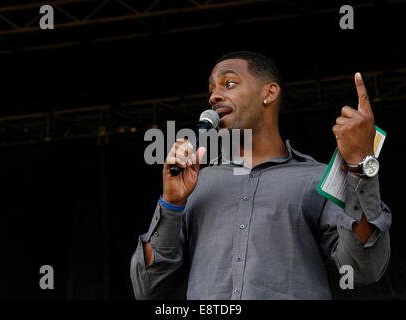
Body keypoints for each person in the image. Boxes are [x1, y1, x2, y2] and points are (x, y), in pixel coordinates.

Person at [130, 51, 391, 299]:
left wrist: (360, 164)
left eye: (228, 84)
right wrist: (171, 204)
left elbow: (362, 269)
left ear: (269, 92)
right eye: (211, 91)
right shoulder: (197, 184)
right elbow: (148, 288)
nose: (214, 97)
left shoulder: (316, 179)